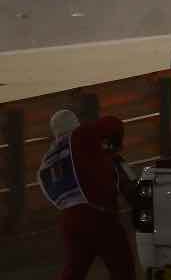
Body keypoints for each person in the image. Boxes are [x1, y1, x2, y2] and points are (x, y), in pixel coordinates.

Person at [38, 111, 135, 280]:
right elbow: (111, 122)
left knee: (74, 270)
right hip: (99, 215)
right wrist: (115, 145)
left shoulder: (49, 158)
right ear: (76, 124)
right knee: (122, 269)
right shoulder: (82, 138)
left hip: (69, 220)